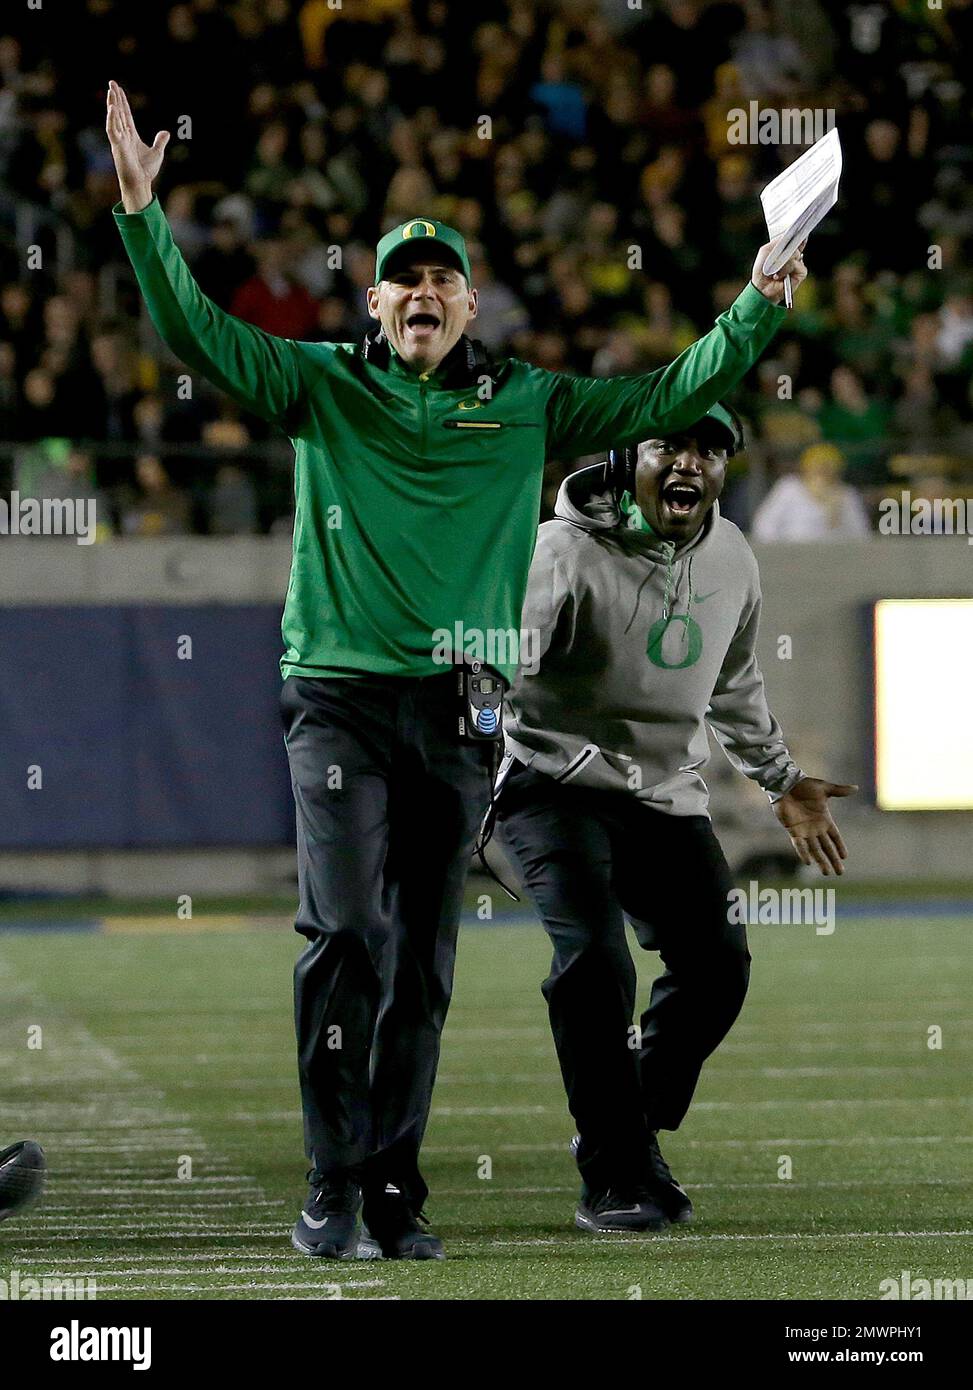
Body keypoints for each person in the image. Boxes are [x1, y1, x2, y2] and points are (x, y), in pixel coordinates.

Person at [105, 78, 807, 1262]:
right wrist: (140, 215)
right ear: (373, 301)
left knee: (422, 959)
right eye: (402, 277)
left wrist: (753, 306)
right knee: (345, 936)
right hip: (334, 696)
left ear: (470, 301)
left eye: (441, 277)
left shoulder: (525, 401)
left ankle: (392, 1185)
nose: (421, 290)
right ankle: (332, 1178)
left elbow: (662, 397)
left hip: (457, 713)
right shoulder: (319, 384)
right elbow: (194, 334)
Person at [494, 404, 856, 1234]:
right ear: (628, 461)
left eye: (708, 449)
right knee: (591, 961)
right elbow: (494, 672)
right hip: (554, 783)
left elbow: (731, 682)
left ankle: (626, 1127)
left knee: (718, 966)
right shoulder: (560, 552)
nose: (688, 462)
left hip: (660, 791)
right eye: (668, 445)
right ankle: (616, 1170)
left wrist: (779, 778)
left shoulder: (731, 554)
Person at [752, 442, 871, 541]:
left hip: (834, 559)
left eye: (827, 467)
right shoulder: (789, 488)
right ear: (805, 467)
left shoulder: (847, 494)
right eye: (817, 466)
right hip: (791, 556)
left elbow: (861, 534)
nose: (822, 471)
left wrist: (836, 514)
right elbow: (764, 525)